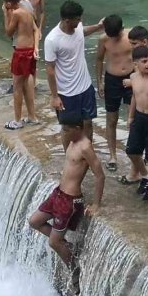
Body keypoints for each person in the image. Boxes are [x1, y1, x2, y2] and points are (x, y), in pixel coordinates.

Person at [28, 112, 105, 282]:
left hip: (70, 200)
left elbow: (99, 175)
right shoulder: (71, 141)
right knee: (34, 221)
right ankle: (66, 246)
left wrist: (96, 204)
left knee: (54, 243)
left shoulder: (85, 147)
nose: (63, 131)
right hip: (58, 194)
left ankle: (74, 269)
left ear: (78, 128)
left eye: (66, 129)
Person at [44, 1, 104, 144]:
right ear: (66, 20)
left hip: (85, 87)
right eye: (77, 19)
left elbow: (82, 32)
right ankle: (69, 159)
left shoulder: (77, 27)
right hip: (66, 92)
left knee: (88, 122)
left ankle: (87, 152)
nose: (80, 21)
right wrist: (54, 96)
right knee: (68, 128)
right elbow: (50, 70)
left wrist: (98, 27)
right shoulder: (52, 40)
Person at [121, 45, 148, 201]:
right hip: (139, 117)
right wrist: (131, 117)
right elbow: (134, 96)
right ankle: (145, 176)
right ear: (135, 64)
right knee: (132, 150)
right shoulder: (133, 78)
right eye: (144, 61)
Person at [95, 15, 133, 172]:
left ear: (122, 29)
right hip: (112, 80)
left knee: (133, 118)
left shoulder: (131, 35)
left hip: (131, 78)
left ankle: (134, 153)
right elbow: (98, 59)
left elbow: (142, 56)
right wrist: (100, 82)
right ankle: (112, 155)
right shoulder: (104, 39)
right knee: (112, 118)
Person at [1, 0, 39, 129]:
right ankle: (32, 117)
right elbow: (35, 30)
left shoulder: (16, 13)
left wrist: (6, 14)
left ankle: (17, 120)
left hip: (21, 52)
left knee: (17, 86)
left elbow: (9, 32)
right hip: (29, 51)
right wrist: (36, 48)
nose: (4, 5)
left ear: (9, 3)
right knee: (25, 83)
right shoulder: (27, 11)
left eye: (5, 2)